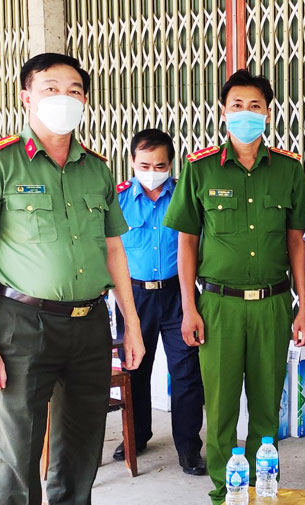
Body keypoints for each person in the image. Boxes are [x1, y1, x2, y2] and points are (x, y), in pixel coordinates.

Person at [0, 52, 143, 505]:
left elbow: (113, 250)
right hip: (19, 321)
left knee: (79, 445)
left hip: (88, 323)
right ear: (26, 96)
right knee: (16, 452)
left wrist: (129, 321)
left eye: (76, 89)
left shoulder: (98, 167)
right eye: (51, 86)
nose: (65, 97)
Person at [163, 69, 305, 505]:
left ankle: (265, 494)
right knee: (223, 407)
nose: (246, 114)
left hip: (271, 305)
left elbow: (297, 245)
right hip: (218, 307)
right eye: (237, 105)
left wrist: (303, 306)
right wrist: (189, 307)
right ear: (222, 111)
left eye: (255, 106)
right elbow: (186, 243)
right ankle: (225, 502)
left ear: (268, 112)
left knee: (268, 406)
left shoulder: (290, 169)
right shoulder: (200, 167)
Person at [113, 128, 206, 476]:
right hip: (134, 296)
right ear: (133, 162)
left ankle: (188, 447)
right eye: (145, 163)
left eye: (160, 164)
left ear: (171, 164)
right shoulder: (119, 199)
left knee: (186, 373)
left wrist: (190, 303)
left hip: (179, 293)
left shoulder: (185, 195)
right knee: (135, 368)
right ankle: (136, 436)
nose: (152, 170)